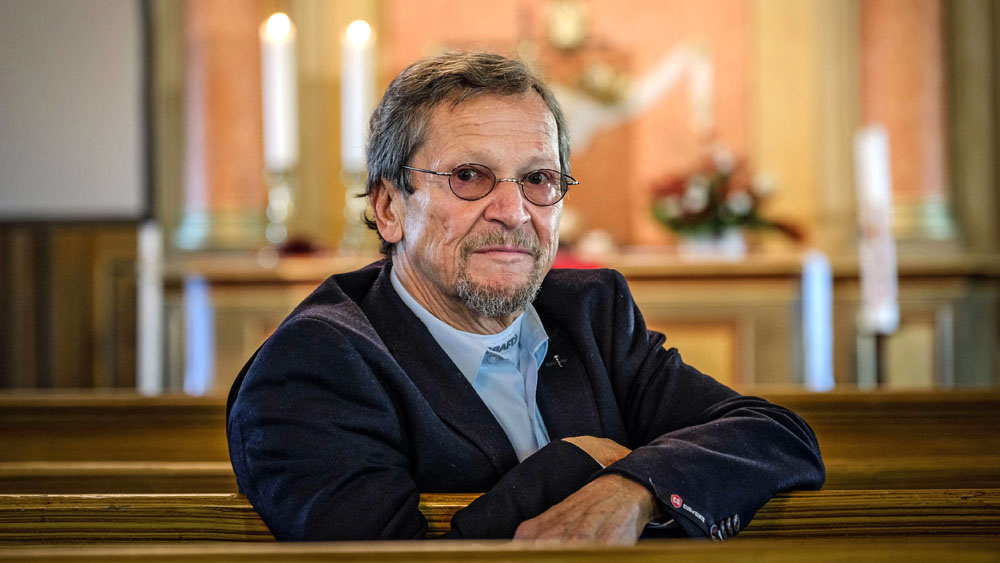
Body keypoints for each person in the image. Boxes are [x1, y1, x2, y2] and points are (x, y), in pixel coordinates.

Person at [226, 51, 824, 543]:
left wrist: (631, 488)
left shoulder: (592, 315)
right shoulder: (311, 368)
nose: (513, 212)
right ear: (389, 208)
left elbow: (774, 436)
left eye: (538, 178)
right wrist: (578, 461)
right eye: (469, 176)